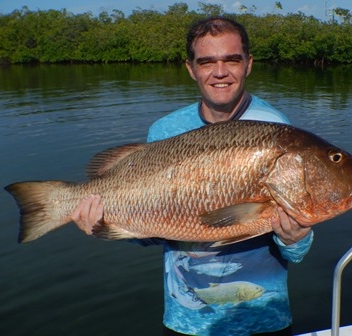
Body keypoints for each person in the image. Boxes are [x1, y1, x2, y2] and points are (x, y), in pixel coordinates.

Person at [72, 17, 313, 336]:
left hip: (263, 318)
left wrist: (296, 237)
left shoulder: (276, 129)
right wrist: (106, 223)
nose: (220, 72)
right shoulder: (164, 130)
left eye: (231, 59)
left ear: (248, 64)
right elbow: (156, 229)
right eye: (207, 61)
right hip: (186, 320)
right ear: (190, 68)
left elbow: (297, 251)